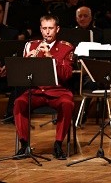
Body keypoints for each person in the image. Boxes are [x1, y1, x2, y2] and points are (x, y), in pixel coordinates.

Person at [13, 15, 75, 160]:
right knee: (19, 103)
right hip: (35, 91)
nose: (47, 32)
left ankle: (58, 144)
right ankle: (24, 145)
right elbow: (23, 75)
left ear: (57, 29)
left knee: (67, 104)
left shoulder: (67, 48)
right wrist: (26, 62)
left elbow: (66, 75)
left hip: (58, 91)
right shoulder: (31, 45)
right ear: (40, 30)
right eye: (45, 28)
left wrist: (50, 56)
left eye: (51, 28)